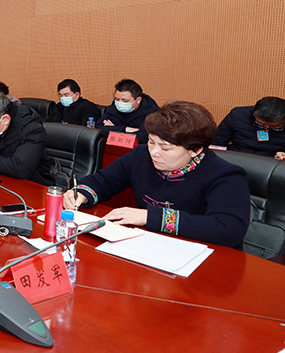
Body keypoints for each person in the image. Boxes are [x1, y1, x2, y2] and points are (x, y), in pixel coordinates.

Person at [63, 101, 250, 249]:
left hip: (200, 256)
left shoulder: (225, 176)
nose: (154, 152)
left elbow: (229, 229)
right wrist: (82, 193)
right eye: (151, 142)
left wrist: (150, 217)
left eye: (165, 148)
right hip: (147, 245)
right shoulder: (141, 156)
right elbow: (103, 181)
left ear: (196, 150)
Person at [212, 97, 285, 159]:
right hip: (237, 156)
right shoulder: (238, 115)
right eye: (261, 123)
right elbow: (217, 142)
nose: (267, 127)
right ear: (254, 113)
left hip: (272, 161)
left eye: (276, 126)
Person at [97, 79, 159, 144]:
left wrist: (113, 129)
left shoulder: (152, 112)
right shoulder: (114, 107)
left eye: (125, 101)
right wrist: (127, 129)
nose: (120, 103)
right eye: (117, 99)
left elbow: (141, 138)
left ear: (138, 100)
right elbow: (98, 128)